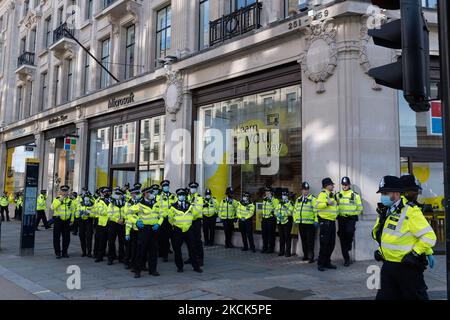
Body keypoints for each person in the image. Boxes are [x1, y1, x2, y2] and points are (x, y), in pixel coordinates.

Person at [372, 175, 437, 300]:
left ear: (396, 193)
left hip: (407, 269)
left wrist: (416, 253)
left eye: (385, 193)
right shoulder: (386, 210)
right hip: (388, 267)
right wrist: (381, 251)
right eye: (382, 193)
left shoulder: (411, 211)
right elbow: (388, 235)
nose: (382, 196)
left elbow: (429, 236)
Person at [168, 188, 203, 273]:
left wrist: (189, 222)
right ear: (177, 196)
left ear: (185, 196)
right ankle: (180, 267)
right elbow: (170, 218)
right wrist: (175, 225)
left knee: (192, 248)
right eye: (180, 195)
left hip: (188, 229)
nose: (182, 196)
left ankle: (196, 266)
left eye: (183, 195)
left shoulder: (190, 205)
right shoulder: (173, 206)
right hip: (178, 230)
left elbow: (194, 215)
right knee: (177, 249)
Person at [134, 185, 163, 278]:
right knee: (141, 250)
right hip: (144, 229)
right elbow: (129, 214)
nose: (151, 194)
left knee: (153, 251)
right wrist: (136, 221)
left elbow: (161, 215)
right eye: (150, 192)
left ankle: (153, 270)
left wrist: (158, 223)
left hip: (154, 229)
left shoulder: (156, 203)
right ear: (145, 194)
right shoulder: (139, 204)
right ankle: (137, 270)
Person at [336, 177, 363, 266]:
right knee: (342, 237)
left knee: (350, 232)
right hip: (341, 218)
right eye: (343, 185)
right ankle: (346, 259)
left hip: (351, 218)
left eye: (346, 184)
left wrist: (353, 213)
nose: (344, 186)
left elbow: (360, 208)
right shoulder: (337, 195)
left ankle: (349, 243)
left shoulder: (355, 195)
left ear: (349, 185)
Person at [316, 177, 338, 271]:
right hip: (325, 223)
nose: (333, 186)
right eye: (331, 184)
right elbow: (317, 206)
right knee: (324, 244)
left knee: (331, 243)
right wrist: (326, 203)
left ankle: (327, 262)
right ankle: (321, 263)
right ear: (326, 185)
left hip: (332, 222)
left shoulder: (332, 195)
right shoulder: (322, 194)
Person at [294, 182, 318, 263]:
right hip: (301, 223)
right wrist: (295, 220)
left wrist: (316, 221)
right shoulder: (298, 199)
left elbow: (316, 211)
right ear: (301, 190)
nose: (305, 191)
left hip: (310, 224)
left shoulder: (313, 199)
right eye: (304, 190)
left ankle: (311, 257)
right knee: (303, 240)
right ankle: (305, 255)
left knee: (310, 241)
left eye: (307, 190)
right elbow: (295, 211)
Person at [51, 185, 75, 259]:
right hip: (58, 220)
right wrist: (60, 200)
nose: (64, 192)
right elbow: (52, 207)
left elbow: (73, 211)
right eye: (63, 191)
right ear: (60, 192)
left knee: (66, 238)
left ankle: (65, 252)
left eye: (66, 191)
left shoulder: (70, 201)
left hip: (66, 221)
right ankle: (58, 252)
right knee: (56, 237)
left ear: (68, 192)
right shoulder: (57, 199)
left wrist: (72, 220)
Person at [107, 188, 127, 265]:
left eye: (120, 194)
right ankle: (111, 258)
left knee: (122, 241)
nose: (118, 196)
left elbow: (126, 212)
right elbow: (109, 214)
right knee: (111, 241)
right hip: (113, 223)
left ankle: (121, 257)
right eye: (117, 194)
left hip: (122, 224)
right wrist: (116, 220)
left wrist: (123, 219)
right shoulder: (111, 203)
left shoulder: (124, 203)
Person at [157, 180, 176, 262]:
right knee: (164, 239)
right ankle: (165, 255)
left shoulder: (173, 196)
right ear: (162, 187)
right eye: (164, 186)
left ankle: (177, 254)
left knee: (174, 238)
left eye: (167, 186)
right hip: (163, 220)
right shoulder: (159, 197)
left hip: (172, 221)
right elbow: (157, 208)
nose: (166, 187)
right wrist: (164, 215)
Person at [186, 182, 204, 266]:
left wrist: (190, 217)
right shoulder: (187, 197)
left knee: (197, 240)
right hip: (188, 222)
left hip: (196, 221)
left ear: (196, 188)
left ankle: (200, 259)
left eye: (194, 187)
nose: (192, 189)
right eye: (191, 187)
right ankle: (191, 257)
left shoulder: (199, 198)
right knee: (190, 240)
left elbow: (197, 210)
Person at [124, 187, 141, 270]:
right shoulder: (128, 203)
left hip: (140, 227)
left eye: (137, 194)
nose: (136, 195)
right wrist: (127, 232)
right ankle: (128, 262)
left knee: (138, 247)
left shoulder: (140, 202)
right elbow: (127, 216)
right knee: (130, 247)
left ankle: (138, 264)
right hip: (131, 227)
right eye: (135, 194)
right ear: (131, 194)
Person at [93, 187, 111, 263]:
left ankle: (108, 255)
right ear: (101, 193)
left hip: (111, 222)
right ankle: (99, 255)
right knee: (101, 240)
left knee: (110, 240)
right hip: (102, 223)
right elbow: (101, 211)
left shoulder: (111, 200)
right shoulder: (98, 201)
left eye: (107, 192)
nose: (106, 193)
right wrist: (110, 212)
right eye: (104, 192)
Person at [275, 191, 294, 257]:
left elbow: (290, 212)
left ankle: (288, 252)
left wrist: (282, 214)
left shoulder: (290, 203)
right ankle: (281, 251)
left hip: (287, 222)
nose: (283, 196)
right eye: (283, 195)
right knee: (281, 237)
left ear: (287, 196)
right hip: (280, 222)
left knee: (287, 237)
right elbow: (275, 210)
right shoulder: (280, 203)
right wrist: (277, 214)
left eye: (285, 195)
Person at [77, 188, 95, 257]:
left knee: (89, 237)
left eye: (88, 197)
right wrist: (79, 213)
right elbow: (77, 212)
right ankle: (83, 251)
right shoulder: (80, 204)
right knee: (82, 236)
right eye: (85, 197)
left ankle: (89, 252)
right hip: (81, 221)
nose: (86, 199)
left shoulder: (92, 205)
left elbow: (94, 214)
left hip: (89, 221)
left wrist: (88, 214)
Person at [261, 186, 279, 254]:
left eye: (268, 191)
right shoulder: (264, 199)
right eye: (266, 191)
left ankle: (271, 248)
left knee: (271, 234)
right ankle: (264, 247)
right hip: (264, 219)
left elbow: (276, 209)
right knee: (264, 234)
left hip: (271, 219)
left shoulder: (275, 200)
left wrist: (271, 200)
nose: (267, 193)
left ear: (271, 192)